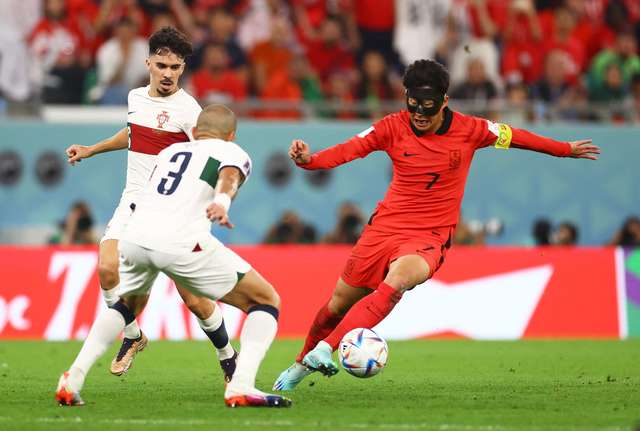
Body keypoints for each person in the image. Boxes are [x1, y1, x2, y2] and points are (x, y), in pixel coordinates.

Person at [273, 59, 600, 390]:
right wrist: (309, 160)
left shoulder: (472, 130)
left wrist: (564, 149)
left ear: (444, 101)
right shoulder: (391, 127)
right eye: (413, 104)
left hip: (428, 236)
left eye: (427, 107)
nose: (419, 114)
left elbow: (515, 135)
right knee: (337, 306)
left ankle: (325, 348)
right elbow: (350, 149)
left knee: (398, 280)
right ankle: (301, 364)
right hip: (383, 228)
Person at [56, 105, 291, 408]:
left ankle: (72, 378)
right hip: (180, 241)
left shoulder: (171, 152)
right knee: (265, 300)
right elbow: (229, 175)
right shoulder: (232, 151)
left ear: (195, 130)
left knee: (126, 305)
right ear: (231, 135)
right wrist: (222, 202)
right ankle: (241, 385)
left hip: (135, 236)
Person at [64, 27, 236, 383]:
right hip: (133, 203)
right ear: (148, 64)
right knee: (107, 269)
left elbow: (214, 154)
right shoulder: (135, 98)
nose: (168, 74)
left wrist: (213, 199)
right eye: (161, 66)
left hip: (173, 212)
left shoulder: (190, 112)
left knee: (195, 301)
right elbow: (133, 133)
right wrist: (92, 149)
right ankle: (133, 336)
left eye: (175, 67)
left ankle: (227, 356)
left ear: (183, 68)